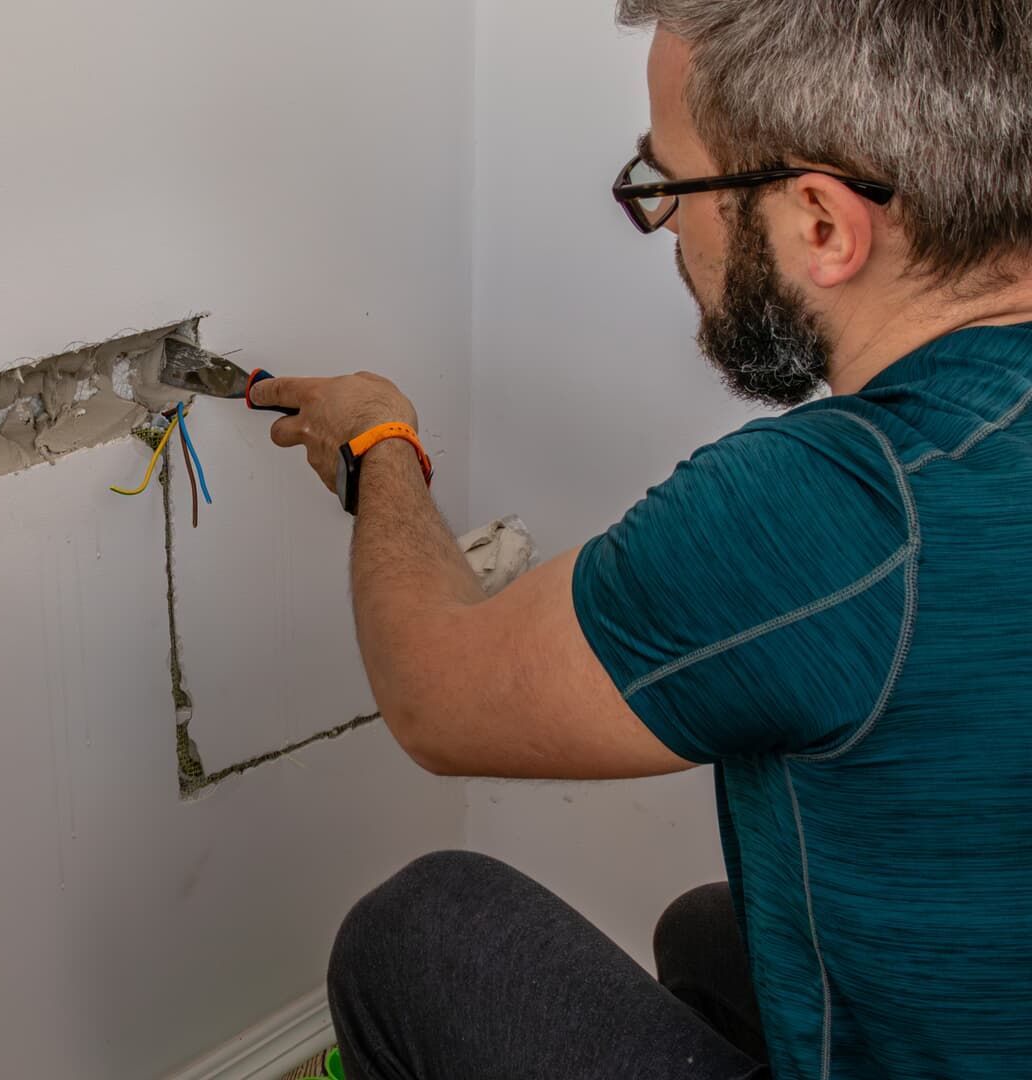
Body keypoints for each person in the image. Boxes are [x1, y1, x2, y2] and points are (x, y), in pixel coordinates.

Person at [247, 2, 1032, 1078]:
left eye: (670, 186)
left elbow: (438, 692)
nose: (667, 225)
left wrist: (381, 443)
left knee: (431, 932)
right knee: (714, 934)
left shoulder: (842, 505)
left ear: (823, 224)